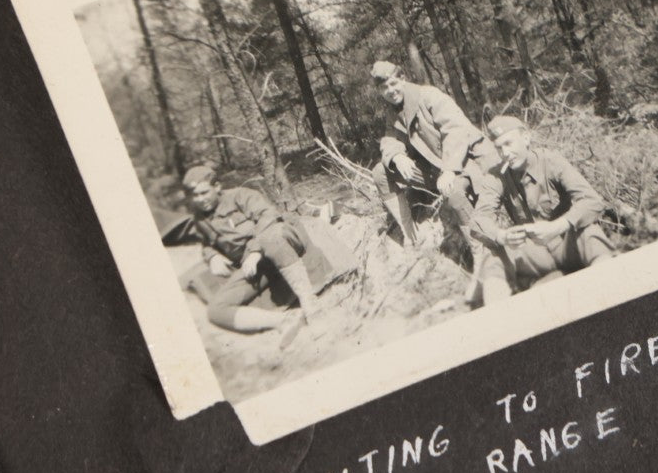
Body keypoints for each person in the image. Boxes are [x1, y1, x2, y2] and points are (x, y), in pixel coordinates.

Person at [167, 165, 356, 338]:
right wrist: (213, 256)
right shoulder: (200, 219)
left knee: (271, 238)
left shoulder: (241, 196)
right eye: (195, 196)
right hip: (254, 266)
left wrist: (255, 251)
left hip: (282, 244)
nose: (200, 200)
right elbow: (206, 243)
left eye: (204, 193)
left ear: (217, 186)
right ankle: (284, 321)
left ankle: (312, 308)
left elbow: (269, 217)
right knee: (216, 310)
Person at [368, 61, 505, 249]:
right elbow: (389, 139)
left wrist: (449, 170)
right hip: (435, 169)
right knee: (380, 172)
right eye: (384, 88)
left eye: (393, 83)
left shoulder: (428, 95)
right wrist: (397, 156)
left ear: (403, 79)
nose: (390, 91)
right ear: (379, 91)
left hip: (466, 161)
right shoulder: (393, 111)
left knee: (453, 192)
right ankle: (411, 235)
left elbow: (455, 130)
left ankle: (481, 246)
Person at [486, 115, 615, 292]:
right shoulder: (497, 176)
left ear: (526, 138)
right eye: (499, 148)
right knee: (494, 258)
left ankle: (611, 291)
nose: (505, 153)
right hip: (537, 255)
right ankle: (502, 307)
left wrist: (556, 226)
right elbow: (479, 219)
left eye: (508, 143)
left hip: (566, 243)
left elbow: (592, 200)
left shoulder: (550, 161)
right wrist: (502, 236)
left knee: (590, 233)